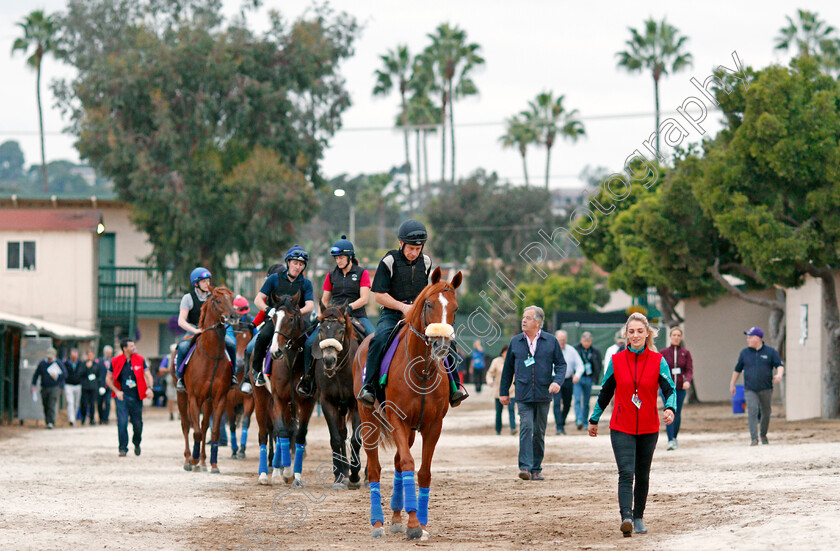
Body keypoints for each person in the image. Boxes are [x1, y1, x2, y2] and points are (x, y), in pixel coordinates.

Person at [356, 220, 468, 408]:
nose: (414, 253)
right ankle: (369, 387)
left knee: (447, 339)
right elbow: (379, 296)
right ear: (401, 244)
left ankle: (454, 386)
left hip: (419, 316)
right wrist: (402, 307)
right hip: (392, 315)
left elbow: (427, 291)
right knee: (378, 339)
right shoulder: (388, 261)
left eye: (418, 248)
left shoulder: (426, 262)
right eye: (410, 248)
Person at [589, 312, 676, 537]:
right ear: (625, 335)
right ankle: (626, 516)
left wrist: (670, 408)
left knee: (643, 474)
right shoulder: (616, 361)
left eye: (639, 331)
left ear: (647, 333)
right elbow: (606, 390)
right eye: (631, 332)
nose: (635, 335)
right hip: (621, 426)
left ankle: (638, 517)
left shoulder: (658, 361)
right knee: (626, 473)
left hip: (649, 427)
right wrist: (594, 418)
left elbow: (669, 389)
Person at [297, 236, 375, 397]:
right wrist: (321, 315)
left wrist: (348, 308)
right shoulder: (331, 275)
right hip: (333, 317)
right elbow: (325, 299)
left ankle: (373, 382)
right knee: (310, 343)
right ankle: (308, 379)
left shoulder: (362, 273)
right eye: (336, 258)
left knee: (374, 340)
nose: (338, 261)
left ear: (350, 257)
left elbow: (364, 299)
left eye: (341, 258)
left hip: (357, 315)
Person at [499, 306, 566, 481]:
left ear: (538, 322)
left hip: (544, 393)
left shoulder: (551, 341)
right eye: (523, 317)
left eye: (528, 318)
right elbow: (507, 370)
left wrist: (557, 382)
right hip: (523, 393)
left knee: (539, 431)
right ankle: (525, 467)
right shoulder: (515, 342)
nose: (523, 320)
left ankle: (536, 468)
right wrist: (503, 392)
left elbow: (561, 365)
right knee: (526, 427)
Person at [248, 245, 315, 389]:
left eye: (301, 264)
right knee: (262, 337)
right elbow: (258, 299)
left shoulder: (306, 283)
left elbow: (310, 306)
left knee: (313, 341)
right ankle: (256, 372)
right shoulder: (274, 279)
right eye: (295, 263)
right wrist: (269, 311)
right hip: (276, 319)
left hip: (298, 321)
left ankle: (310, 377)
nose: (298, 267)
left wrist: (297, 314)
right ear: (288, 262)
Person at [174, 267, 238, 392]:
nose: (207, 284)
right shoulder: (188, 298)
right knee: (182, 347)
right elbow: (181, 321)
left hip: (215, 330)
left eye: (208, 281)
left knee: (231, 344)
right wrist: (195, 331)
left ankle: (233, 375)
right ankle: (180, 377)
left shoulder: (214, 296)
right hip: (194, 329)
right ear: (196, 283)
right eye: (204, 281)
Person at [729, 326, 784, 446]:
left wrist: (779, 375)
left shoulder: (770, 352)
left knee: (766, 412)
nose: (747, 340)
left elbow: (779, 365)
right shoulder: (744, 353)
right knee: (752, 411)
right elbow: (737, 369)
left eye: (750, 337)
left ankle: (763, 434)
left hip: (766, 388)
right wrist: (732, 384)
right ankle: (754, 438)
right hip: (750, 389)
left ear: (757, 338)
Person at [106, 338, 153, 457]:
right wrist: (117, 391)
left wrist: (150, 388)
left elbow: (148, 375)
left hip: (137, 397)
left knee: (137, 424)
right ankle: (123, 448)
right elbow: (108, 378)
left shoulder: (140, 360)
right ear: (125, 348)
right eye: (131, 346)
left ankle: (136, 443)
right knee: (122, 423)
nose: (134, 348)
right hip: (122, 397)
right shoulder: (115, 361)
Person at [660, 327, 694, 450]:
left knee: (677, 412)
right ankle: (670, 440)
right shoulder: (663, 352)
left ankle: (674, 437)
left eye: (678, 335)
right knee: (669, 411)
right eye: (674, 335)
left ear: (681, 337)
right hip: (666, 388)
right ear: (670, 337)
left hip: (679, 387)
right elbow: (659, 369)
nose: (676, 337)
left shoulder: (685, 353)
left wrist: (687, 381)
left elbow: (689, 369)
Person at [553, 330, 582, 435]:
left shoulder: (571, 350)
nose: (562, 341)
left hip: (568, 379)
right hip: (555, 379)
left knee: (567, 403)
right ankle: (559, 427)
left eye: (564, 339)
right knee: (556, 403)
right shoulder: (551, 349)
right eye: (560, 339)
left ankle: (562, 422)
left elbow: (580, 365)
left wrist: (577, 375)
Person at [573, 332, 603, 431]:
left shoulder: (595, 351)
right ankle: (578, 420)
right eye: (585, 341)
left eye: (588, 341)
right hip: (578, 377)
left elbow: (598, 365)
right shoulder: (576, 349)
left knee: (586, 401)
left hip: (588, 378)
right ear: (581, 340)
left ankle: (585, 421)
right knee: (577, 399)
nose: (586, 343)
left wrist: (595, 378)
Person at [30, 347, 66, 429]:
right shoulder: (42, 364)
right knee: (45, 404)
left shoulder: (58, 363)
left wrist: (57, 376)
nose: (49, 359)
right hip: (44, 387)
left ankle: (51, 422)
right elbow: (36, 374)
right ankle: (48, 421)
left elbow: (64, 374)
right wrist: (33, 385)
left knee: (51, 404)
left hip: (54, 387)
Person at [485, 345, 516, 435]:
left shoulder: (514, 360)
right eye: (506, 352)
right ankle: (498, 430)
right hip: (499, 391)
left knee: (511, 410)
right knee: (499, 411)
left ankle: (513, 428)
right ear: (502, 353)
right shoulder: (496, 361)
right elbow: (490, 373)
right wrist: (490, 381)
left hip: (512, 391)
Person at [79, 349, 101, 425]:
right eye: (89, 355)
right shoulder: (83, 364)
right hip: (85, 387)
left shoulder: (96, 364)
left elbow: (98, 375)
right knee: (84, 404)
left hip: (93, 387)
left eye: (91, 355)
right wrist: (87, 367)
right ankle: (83, 418)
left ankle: (92, 419)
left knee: (92, 404)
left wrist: (98, 384)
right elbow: (80, 373)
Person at [63, 348, 82, 426]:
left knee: (76, 403)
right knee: (70, 402)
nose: (74, 358)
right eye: (72, 356)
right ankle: (72, 419)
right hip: (68, 385)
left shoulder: (80, 364)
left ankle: (73, 416)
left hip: (78, 385)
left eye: (75, 356)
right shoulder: (66, 364)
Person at [97, 345, 114, 424]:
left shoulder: (113, 361)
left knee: (108, 402)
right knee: (100, 402)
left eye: (110, 353)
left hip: (109, 385)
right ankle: (101, 418)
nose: (109, 354)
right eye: (108, 353)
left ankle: (106, 418)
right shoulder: (99, 361)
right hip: (100, 385)